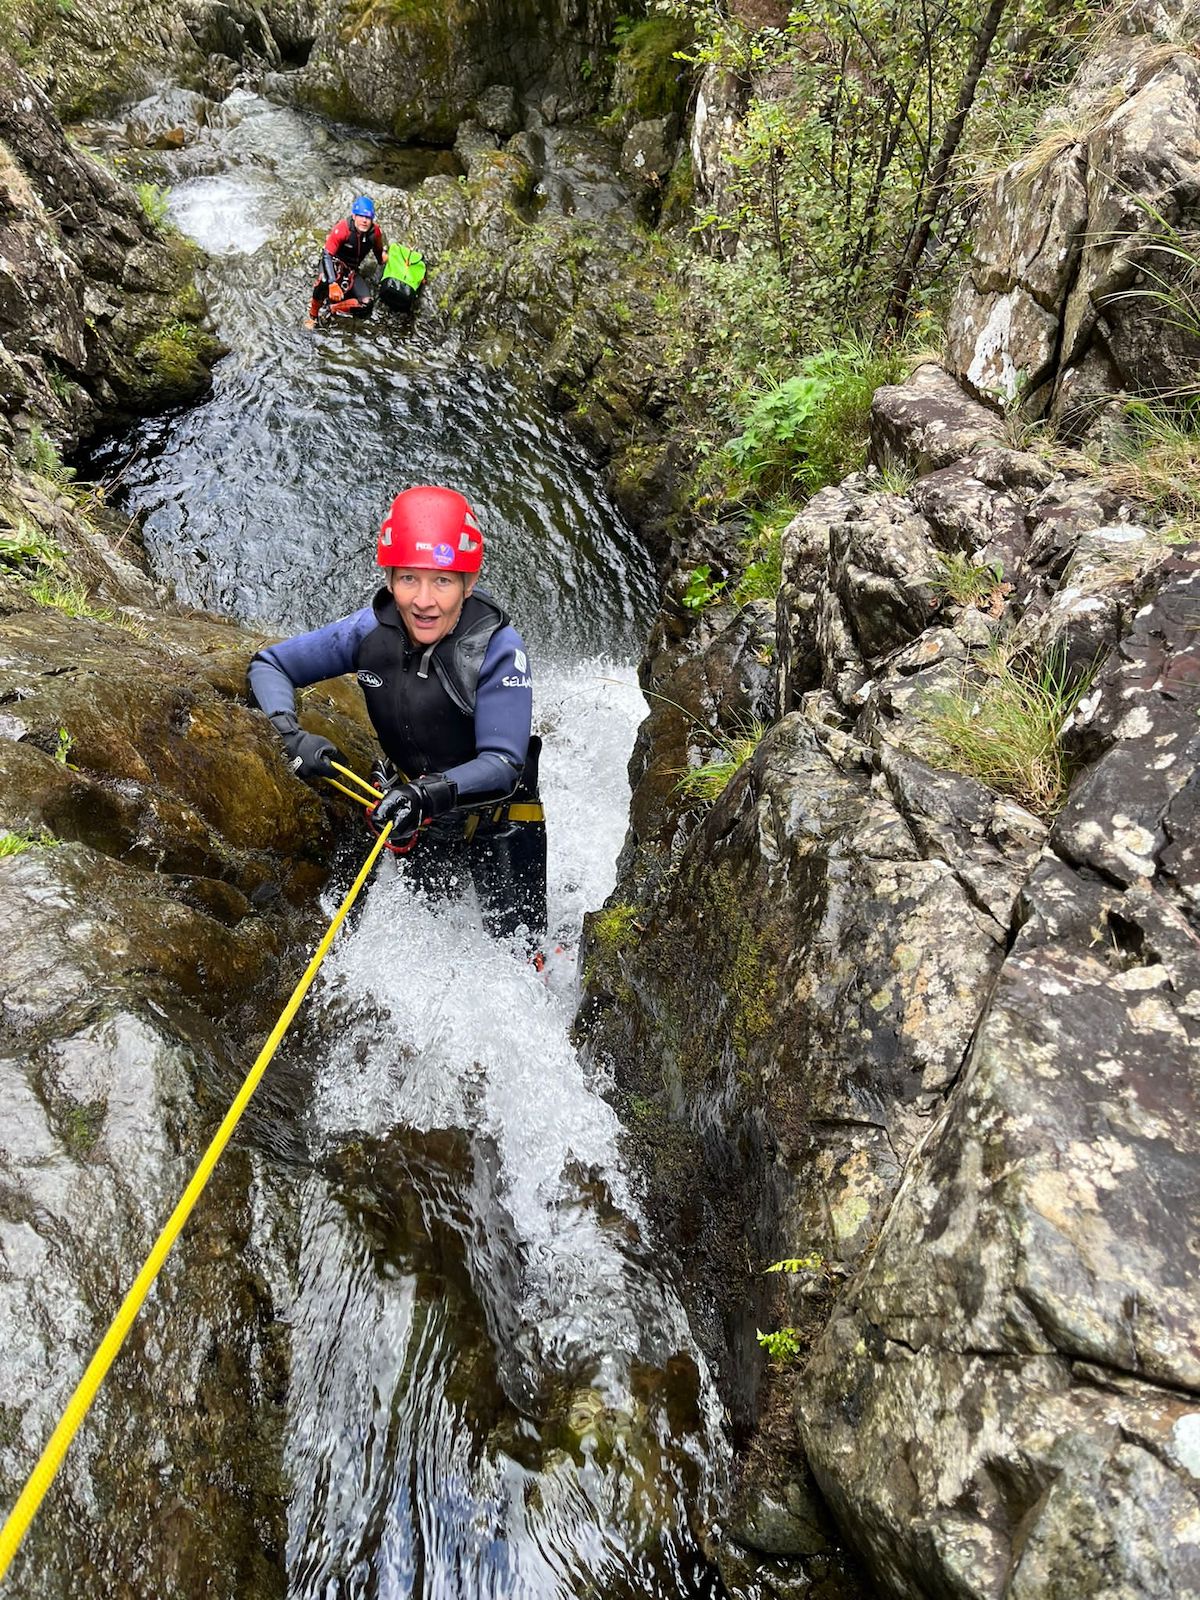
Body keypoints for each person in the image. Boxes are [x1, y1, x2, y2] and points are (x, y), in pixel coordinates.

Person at [247, 485, 548, 948]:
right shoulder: (370, 632)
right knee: (429, 946)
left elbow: (503, 763)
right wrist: (290, 733)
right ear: (389, 579)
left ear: (469, 583)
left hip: (498, 822)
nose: (423, 601)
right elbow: (271, 664)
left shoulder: (497, 649)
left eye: (442, 581)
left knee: (524, 958)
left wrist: (422, 795)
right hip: (416, 817)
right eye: (409, 578)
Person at [304, 195, 387, 330]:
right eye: (361, 216)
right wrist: (332, 283)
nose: (364, 221)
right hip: (334, 263)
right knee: (323, 281)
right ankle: (312, 316)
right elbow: (327, 255)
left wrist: (383, 259)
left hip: (352, 271)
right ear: (354, 216)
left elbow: (378, 252)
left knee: (367, 304)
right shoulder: (342, 229)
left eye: (368, 218)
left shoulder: (375, 233)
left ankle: (331, 309)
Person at [378, 242, 427, 314]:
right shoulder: (421, 262)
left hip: (388, 285)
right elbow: (423, 281)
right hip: (408, 293)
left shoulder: (395, 248)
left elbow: (383, 259)